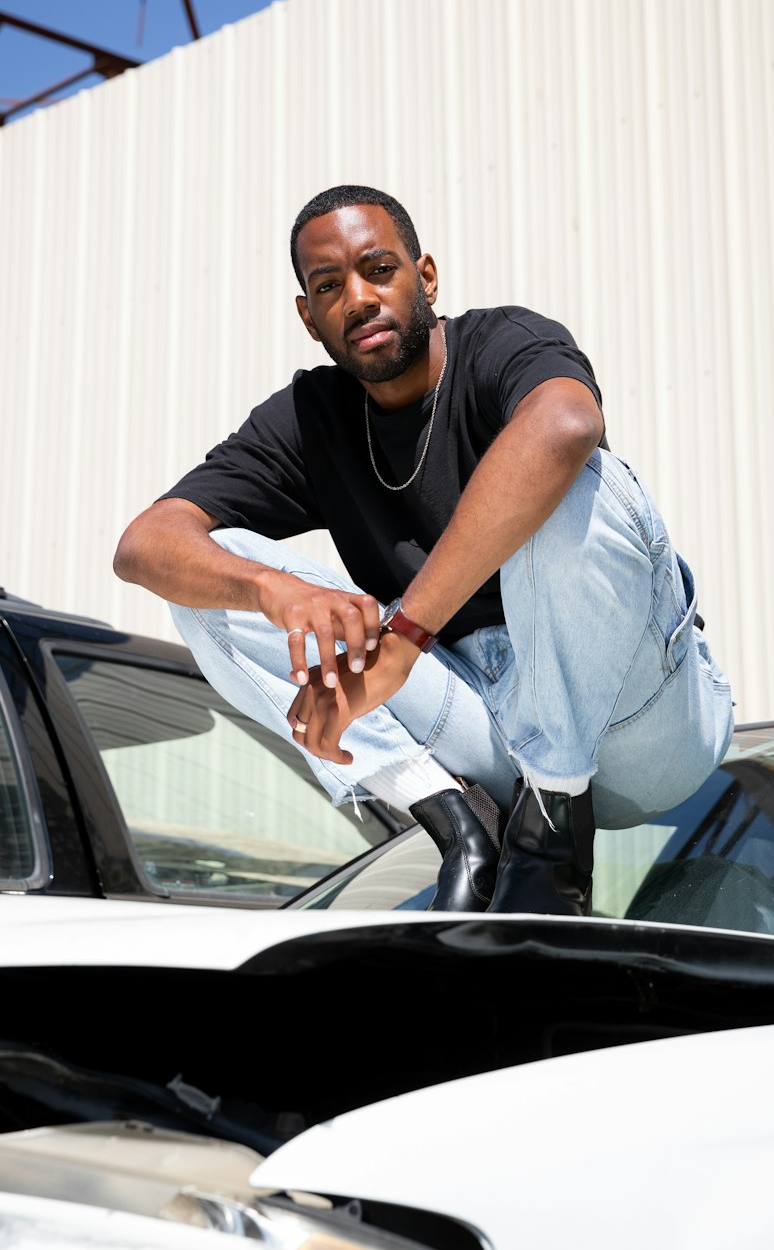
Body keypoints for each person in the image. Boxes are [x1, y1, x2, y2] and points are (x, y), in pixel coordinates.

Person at [114, 184, 734, 915]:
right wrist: (268, 590)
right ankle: (457, 821)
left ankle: (554, 829)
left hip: (639, 724)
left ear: (425, 276)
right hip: (486, 729)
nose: (358, 298)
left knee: (573, 477)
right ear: (308, 317)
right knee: (208, 589)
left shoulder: (502, 341)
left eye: (378, 269)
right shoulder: (312, 418)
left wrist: (406, 634)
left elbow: (567, 422)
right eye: (328, 286)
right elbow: (145, 543)